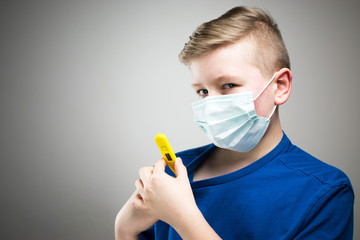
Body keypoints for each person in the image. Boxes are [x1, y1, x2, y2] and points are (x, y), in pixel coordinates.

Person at [115, 6, 354, 240]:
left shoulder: (325, 191)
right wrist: (124, 230)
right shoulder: (173, 175)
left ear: (280, 86)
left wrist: (183, 217)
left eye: (228, 85)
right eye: (202, 91)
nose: (211, 103)